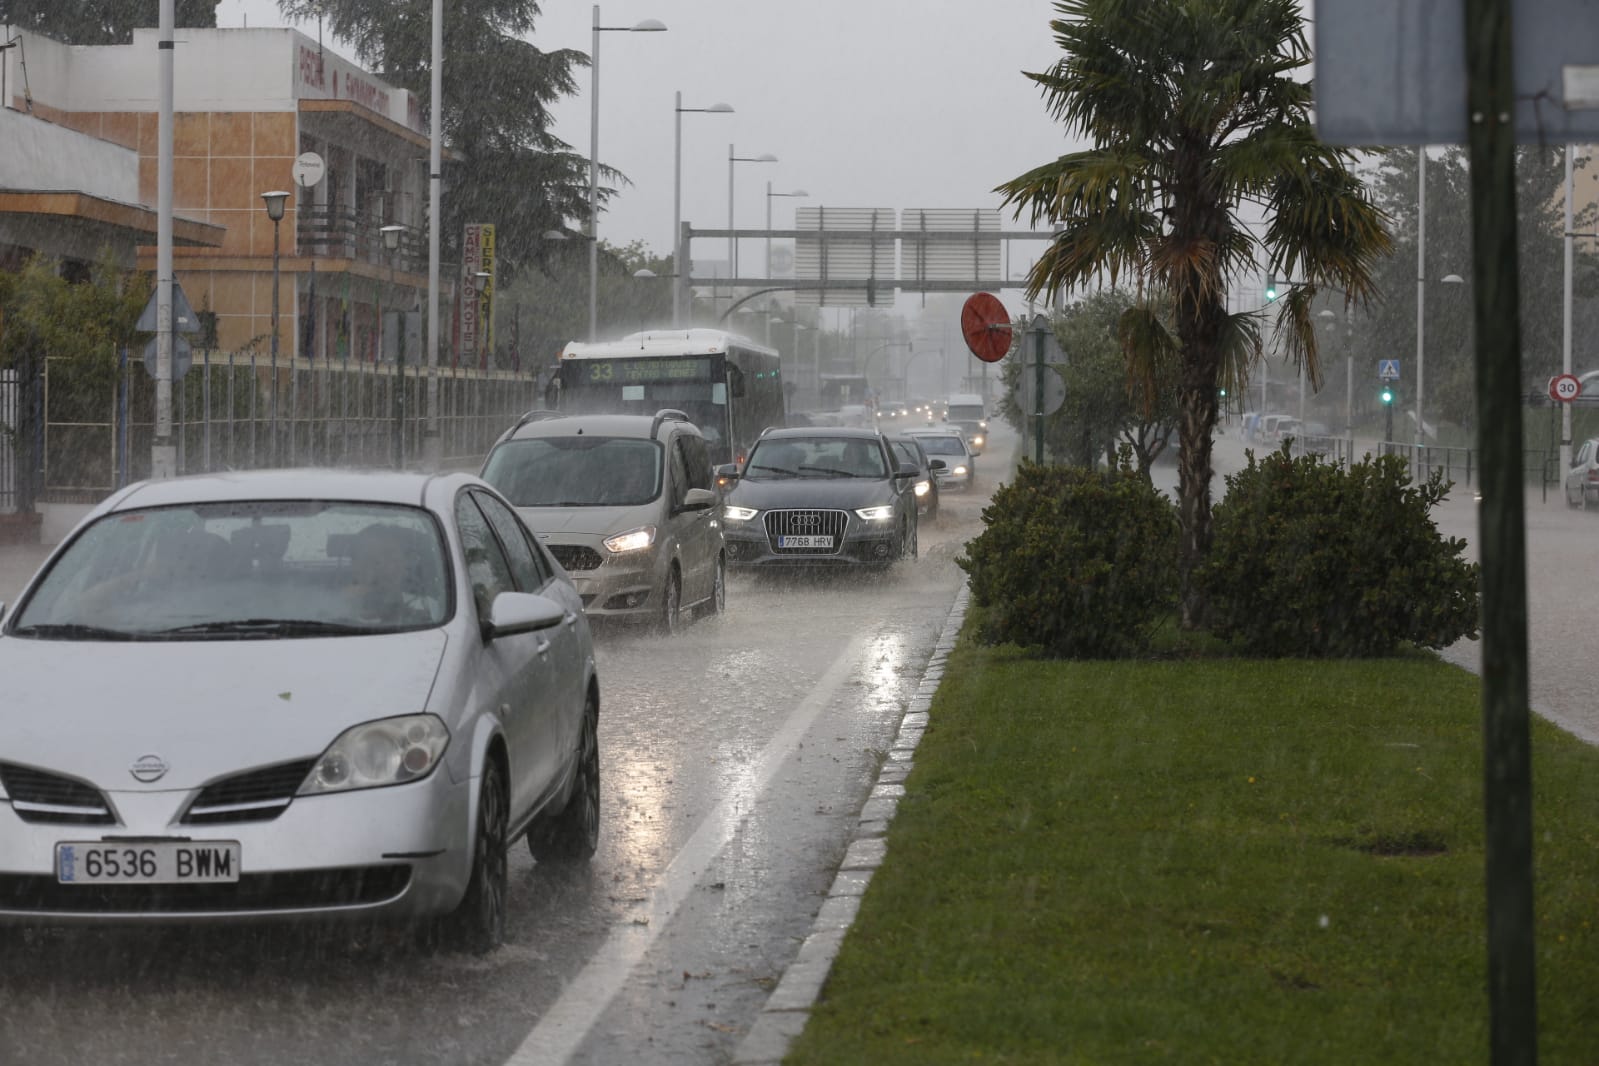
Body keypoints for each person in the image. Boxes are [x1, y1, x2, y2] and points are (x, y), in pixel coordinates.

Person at [343, 524, 427, 624]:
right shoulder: (331, 606)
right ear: (355, 566)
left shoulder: (431, 608)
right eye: (370, 557)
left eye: (389, 555)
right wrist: (347, 607)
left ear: (404, 565)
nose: (382, 565)